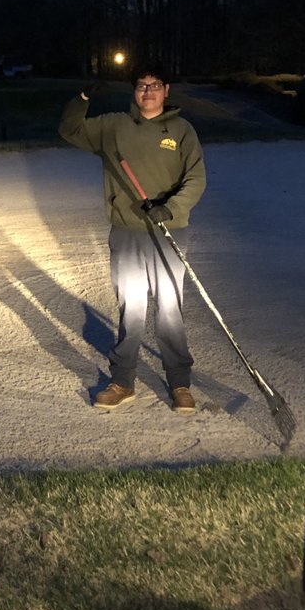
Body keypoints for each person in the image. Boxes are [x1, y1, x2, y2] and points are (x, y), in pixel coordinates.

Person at [58, 64, 206, 413]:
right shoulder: (112, 127)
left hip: (168, 233)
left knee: (170, 309)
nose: (148, 92)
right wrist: (81, 99)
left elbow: (196, 179)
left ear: (166, 90)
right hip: (126, 232)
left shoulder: (181, 130)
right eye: (141, 86)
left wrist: (169, 209)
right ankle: (123, 381)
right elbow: (69, 129)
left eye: (154, 85)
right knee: (132, 309)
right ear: (133, 91)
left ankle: (179, 382)